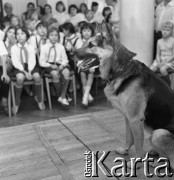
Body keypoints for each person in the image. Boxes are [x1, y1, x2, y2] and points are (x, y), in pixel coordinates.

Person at [10, 27, 45, 114]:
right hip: (19, 67)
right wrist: (25, 72)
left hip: (31, 66)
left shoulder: (30, 47)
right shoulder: (14, 48)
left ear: (27, 36)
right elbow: (15, 62)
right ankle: (17, 102)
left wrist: (29, 71)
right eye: (17, 34)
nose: (19, 36)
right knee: (20, 78)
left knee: (37, 77)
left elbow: (32, 60)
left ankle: (39, 98)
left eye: (22, 34)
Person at [39, 27, 70, 106]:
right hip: (48, 64)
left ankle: (62, 96)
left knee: (67, 72)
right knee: (55, 74)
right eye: (51, 35)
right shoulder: (44, 47)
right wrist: (50, 65)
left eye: (56, 35)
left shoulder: (61, 46)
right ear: (48, 36)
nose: (54, 37)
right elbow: (41, 62)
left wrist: (62, 65)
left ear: (58, 37)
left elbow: (65, 60)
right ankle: (61, 96)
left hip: (59, 63)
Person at [78, 23, 97, 107]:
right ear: (81, 32)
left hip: (93, 64)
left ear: (92, 32)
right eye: (84, 30)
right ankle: (87, 96)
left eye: (88, 30)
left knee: (90, 73)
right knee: (82, 73)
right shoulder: (79, 42)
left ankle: (85, 97)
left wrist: (93, 66)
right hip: (82, 64)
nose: (86, 32)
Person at [0, 40, 10, 114]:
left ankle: (4, 101)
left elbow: (3, 57)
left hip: (1, 67)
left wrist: (4, 73)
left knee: (4, 80)